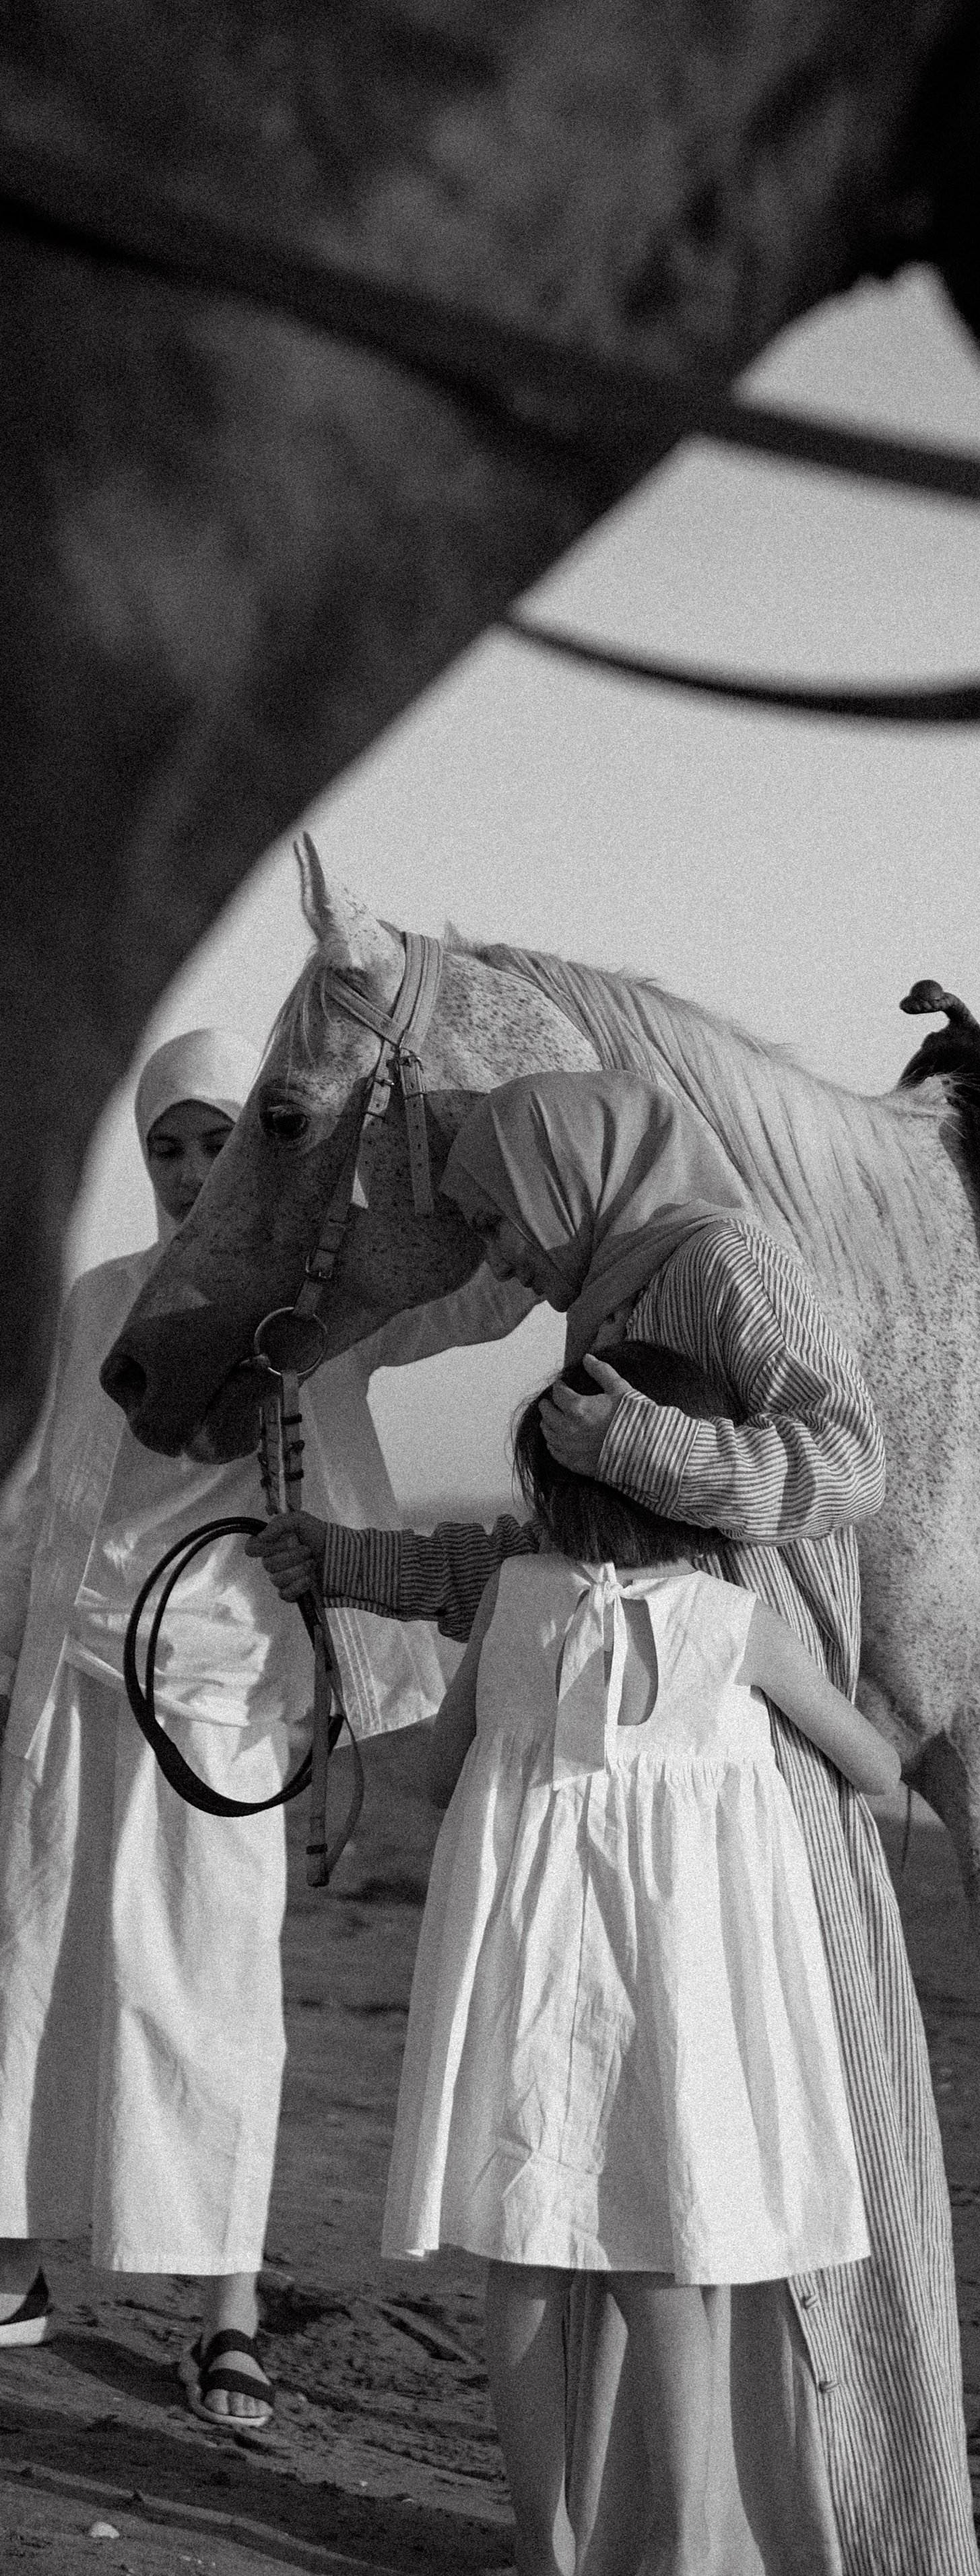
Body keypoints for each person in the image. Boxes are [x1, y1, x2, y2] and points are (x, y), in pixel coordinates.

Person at [253, 1071, 979, 2575]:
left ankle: (619, 2540)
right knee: (690, 2229)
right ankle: (692, 2536)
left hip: (592, 1902)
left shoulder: (722, 1263)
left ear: (569, 1167)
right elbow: (864, 1754)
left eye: (499, 1211)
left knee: (558, 2231)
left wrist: (634, 1450)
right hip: (700, 1886)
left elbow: (845, 1468)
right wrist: (350, 1564)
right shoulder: (620, 1334)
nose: (498, 1251)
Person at [0, 1029, 528, 2425]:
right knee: (34, 1962)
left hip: (230, 1695)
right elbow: (48, 1492)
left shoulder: (320, 1305)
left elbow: (480, 1297)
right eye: (166, 1146)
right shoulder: (102, 1298)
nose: (186, 1171)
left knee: (204, 1995)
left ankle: (223, 2314)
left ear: (257, 1156)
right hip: (68, 1677)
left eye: (215, 1143)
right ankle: (14, 2262)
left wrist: (441, 1132)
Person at [388, 1341, 899, 2576]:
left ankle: (543, 2541)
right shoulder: (738, 1626)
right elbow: (876, 1767)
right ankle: (681, 2543)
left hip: (526, 1953)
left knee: (525, 2244)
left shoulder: (518, 1600)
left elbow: (433, 1764)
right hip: (673, 1975)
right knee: (665, 2250)